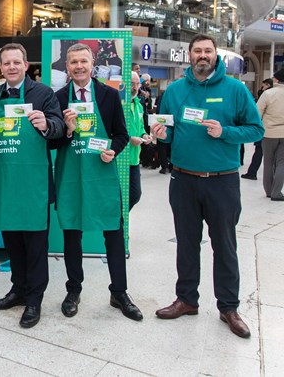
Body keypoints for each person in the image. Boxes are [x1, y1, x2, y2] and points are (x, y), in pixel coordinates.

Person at [151, 34, 263, 338]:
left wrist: (224, 131)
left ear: (216, 56)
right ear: (189, 56)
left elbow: (256, 129)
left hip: (222, 181)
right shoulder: (174, 91)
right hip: (183, 179)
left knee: (224, 245)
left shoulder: (236, 90)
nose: (203, 55)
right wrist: (162, 135)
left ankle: (229, 306)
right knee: (187, 243)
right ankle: (187, 299)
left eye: (208, 51)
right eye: (197, 51)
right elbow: (170, 135)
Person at [53, 43, 142, 322]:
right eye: (73, 62)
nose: (78, 66)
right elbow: (52, 140)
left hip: (102, 174)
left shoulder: (109, 95)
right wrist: (67, 130)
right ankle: (73, 290)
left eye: (83, 61)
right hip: (71, 175)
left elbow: (121, 134)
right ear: (67, 67)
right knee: (72, 233)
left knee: (113, 233)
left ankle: (119, 292)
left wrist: (113, 150)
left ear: (92, 64)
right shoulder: (57, 98)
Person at [0, 43, 64, 329]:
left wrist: (46, 124)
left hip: (34, 185)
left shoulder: (43, 93)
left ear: (26, 65)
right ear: (1, 67)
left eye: (16, 62)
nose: (11, 67)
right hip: (6, 182)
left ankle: (34, 299)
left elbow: (58, 130)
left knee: (35, 245)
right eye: (6, 63)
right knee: (13, 242)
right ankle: (18, 289)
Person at [257, 70, 284, 201]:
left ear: (277, 80)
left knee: (268, 162)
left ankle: (268, 191)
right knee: (281, 163)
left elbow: (257, 113)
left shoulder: (268, 94)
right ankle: (277, 192)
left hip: (268, 133)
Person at [127, 71, 152, 210]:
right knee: (122, 196)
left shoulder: (138, 105)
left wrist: (144, 135)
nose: (135, 87)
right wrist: (130, 139)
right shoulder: (120, 104)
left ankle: (122, 224)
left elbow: (141, 126)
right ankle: (121, 227)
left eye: (137, 84)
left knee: (135, 194)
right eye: (132, 84)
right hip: (120, 158)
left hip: (134, 158)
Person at [242, 78, 273, 180]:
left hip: (266, 128)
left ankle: (252, 172)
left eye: (263, 86)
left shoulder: (266, 95)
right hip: (279, 132)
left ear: (268, 85)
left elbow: (257, 113)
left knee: (259, 151)